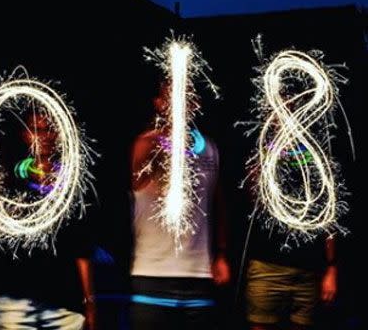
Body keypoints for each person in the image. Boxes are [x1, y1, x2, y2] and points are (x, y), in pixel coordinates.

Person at [129, 82, 230, 329]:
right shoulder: (146, 144)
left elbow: (218, 206)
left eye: (187, 97)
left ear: (195, 105)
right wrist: (169, 136)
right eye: (170, 97)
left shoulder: (209, 148)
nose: (180, 103)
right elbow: (138, 177)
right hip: (152, 274)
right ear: (158, 103)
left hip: (199, 276)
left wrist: (221, 254)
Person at [0, 113, 96, 330]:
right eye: (36, 129)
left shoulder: (72, 186)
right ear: (25, 135)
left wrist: (89, 302)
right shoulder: (7, 184)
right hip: (15, 304)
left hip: (64, 306)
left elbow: (81, 249)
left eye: (49, 129)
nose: (43, 136)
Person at [245, 178, 337, 329]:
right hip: (266, 267)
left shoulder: (319, 165)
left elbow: (329, 218)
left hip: (308, 272)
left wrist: (331, 267)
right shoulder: (265, 158)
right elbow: (252, 194)